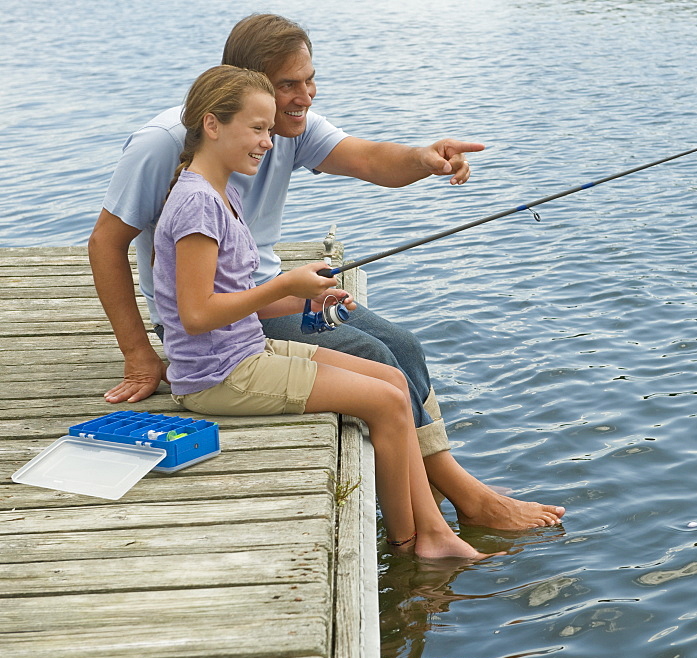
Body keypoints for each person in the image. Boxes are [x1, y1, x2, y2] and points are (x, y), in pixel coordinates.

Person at [90, 13, 565, 530]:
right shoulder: (164, 142)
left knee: (402, 344)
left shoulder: (286, 127)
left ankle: (437, 489)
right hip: (216, 319)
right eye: (289, 84)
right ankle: (460, 497)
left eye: (310, 79)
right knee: (372, 354)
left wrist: (424, 158)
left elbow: (371, 161)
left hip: (271, 295)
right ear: (246, 87)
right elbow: (104, 246)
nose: (306, 96)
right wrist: (140, 356)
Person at [155, 64, 490, 559]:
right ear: (211, 125)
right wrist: (287, 281)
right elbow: (197, 314)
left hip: (247, 351)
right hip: (218, 375)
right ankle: (411, 544)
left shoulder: (220, 193)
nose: (268, 143)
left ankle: (434, 529)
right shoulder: (199, 205)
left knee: (392, 382)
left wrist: (305, 299)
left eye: (270, 131)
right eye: (257, 129)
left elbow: (235, 297)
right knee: (384, 403)